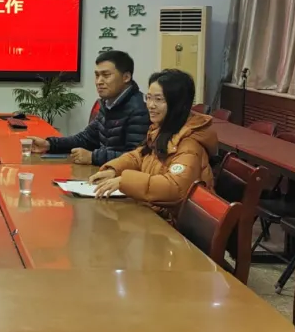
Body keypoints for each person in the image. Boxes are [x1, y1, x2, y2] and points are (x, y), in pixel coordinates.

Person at [89, 68, 217, 219]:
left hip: (174, 225)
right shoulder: (163, 129)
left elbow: (175, 187)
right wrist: (114, 170)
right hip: (155, 212)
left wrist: (125, 181)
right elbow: (140, 155)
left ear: (177, 104)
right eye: (148, 98)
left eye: (158, 99)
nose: (150, 105)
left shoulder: (190, 144)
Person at [28, 50, 149, 165]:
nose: (99, 81)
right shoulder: (108, 104)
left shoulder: (140, 109)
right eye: (97, 75)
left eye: (106, 75)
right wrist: (49, 144)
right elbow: (86, 139)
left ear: (126, 77)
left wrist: (93, 157)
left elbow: (136, 157)